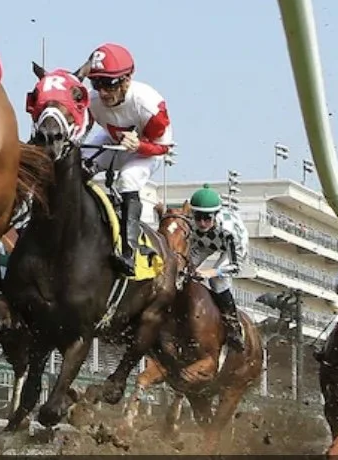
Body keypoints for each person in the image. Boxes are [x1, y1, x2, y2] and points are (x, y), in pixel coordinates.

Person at [81, 43, 174, 272]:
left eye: (109, 84)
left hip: (147, 150)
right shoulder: (92, 101)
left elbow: (164, 148)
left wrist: (140, 145)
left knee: (128, 178)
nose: (102, 92)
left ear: (127, 79)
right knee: (78, 162)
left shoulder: (150, 105)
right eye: (97, 83)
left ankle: (128, 249)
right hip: (114, 141)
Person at [184, 186, 249, 351]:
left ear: (215, 215)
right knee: (184, 270)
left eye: (207, 218)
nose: (202, 223)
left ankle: (233, 326)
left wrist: (210, 272)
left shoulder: (230, 232)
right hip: (204, 243)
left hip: (229, 246)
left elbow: (236, 267)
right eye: (198, 218)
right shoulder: (191, 223)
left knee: (217, 280)